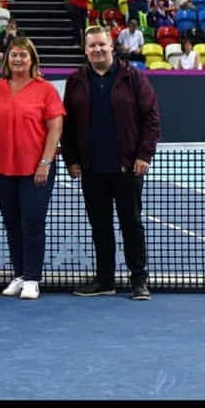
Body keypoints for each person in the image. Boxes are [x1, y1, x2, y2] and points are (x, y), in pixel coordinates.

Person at [62, 27, 161, 300]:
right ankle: (105, 279)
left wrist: (144, 155)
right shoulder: (76, 81)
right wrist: (71, 159)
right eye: (92, 46)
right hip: (92, 169)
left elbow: (151, 118)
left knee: (131, 225)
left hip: (127, 169)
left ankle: (139, 280)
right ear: (85, 50)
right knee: (100, 227)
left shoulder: (133, 77)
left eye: (101, 45)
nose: (97, 50)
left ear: (112, 47)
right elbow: (66, 125)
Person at [0, 37, 65, 301]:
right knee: (12, 224)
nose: (18, 59)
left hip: (36, 169)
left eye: (24, 55)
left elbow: (55, 129)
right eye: (14, 55)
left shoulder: (46, 89)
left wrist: (45, 163)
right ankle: (20, 274)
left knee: (32, 223)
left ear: (32, 59)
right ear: (7, 59)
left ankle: (33, 278)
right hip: (2, 167)